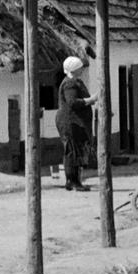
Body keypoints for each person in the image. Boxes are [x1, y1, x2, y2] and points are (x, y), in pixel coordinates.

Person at [56, 55, 93, 191]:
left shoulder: (76, 82)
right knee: (72, 151)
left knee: (75, 150)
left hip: (75, 122)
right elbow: (72, 102)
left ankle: (75, 181)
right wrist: (90, 100)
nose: (82, 70)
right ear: (75, 69)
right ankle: (73, 182)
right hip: (70, 122)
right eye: (80, 68)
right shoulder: (70, 83)